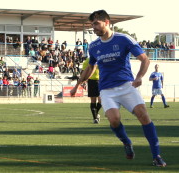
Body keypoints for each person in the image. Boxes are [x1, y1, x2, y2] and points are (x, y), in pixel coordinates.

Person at [70, 10, 166, 167]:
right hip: (107, 90)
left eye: (96, 23)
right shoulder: (94, 46)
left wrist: (139, 77)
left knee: (143, 116)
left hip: (127, 86)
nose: (93, 27)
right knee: (114, 120)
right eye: (92, 24)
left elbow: (145, 59)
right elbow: (90, 68)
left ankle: (156, 155)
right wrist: (77, 85)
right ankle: (126, 142)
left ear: (106, 22)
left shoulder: (124, 39)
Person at [81, 57, 101, 124]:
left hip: (101, 81)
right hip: (92, 81)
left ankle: (96, 113)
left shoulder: (102, 58)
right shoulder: (88, 61)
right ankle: (95, 118)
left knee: (101, 100)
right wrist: (83, 81)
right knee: (93, 100)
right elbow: (83, 71)